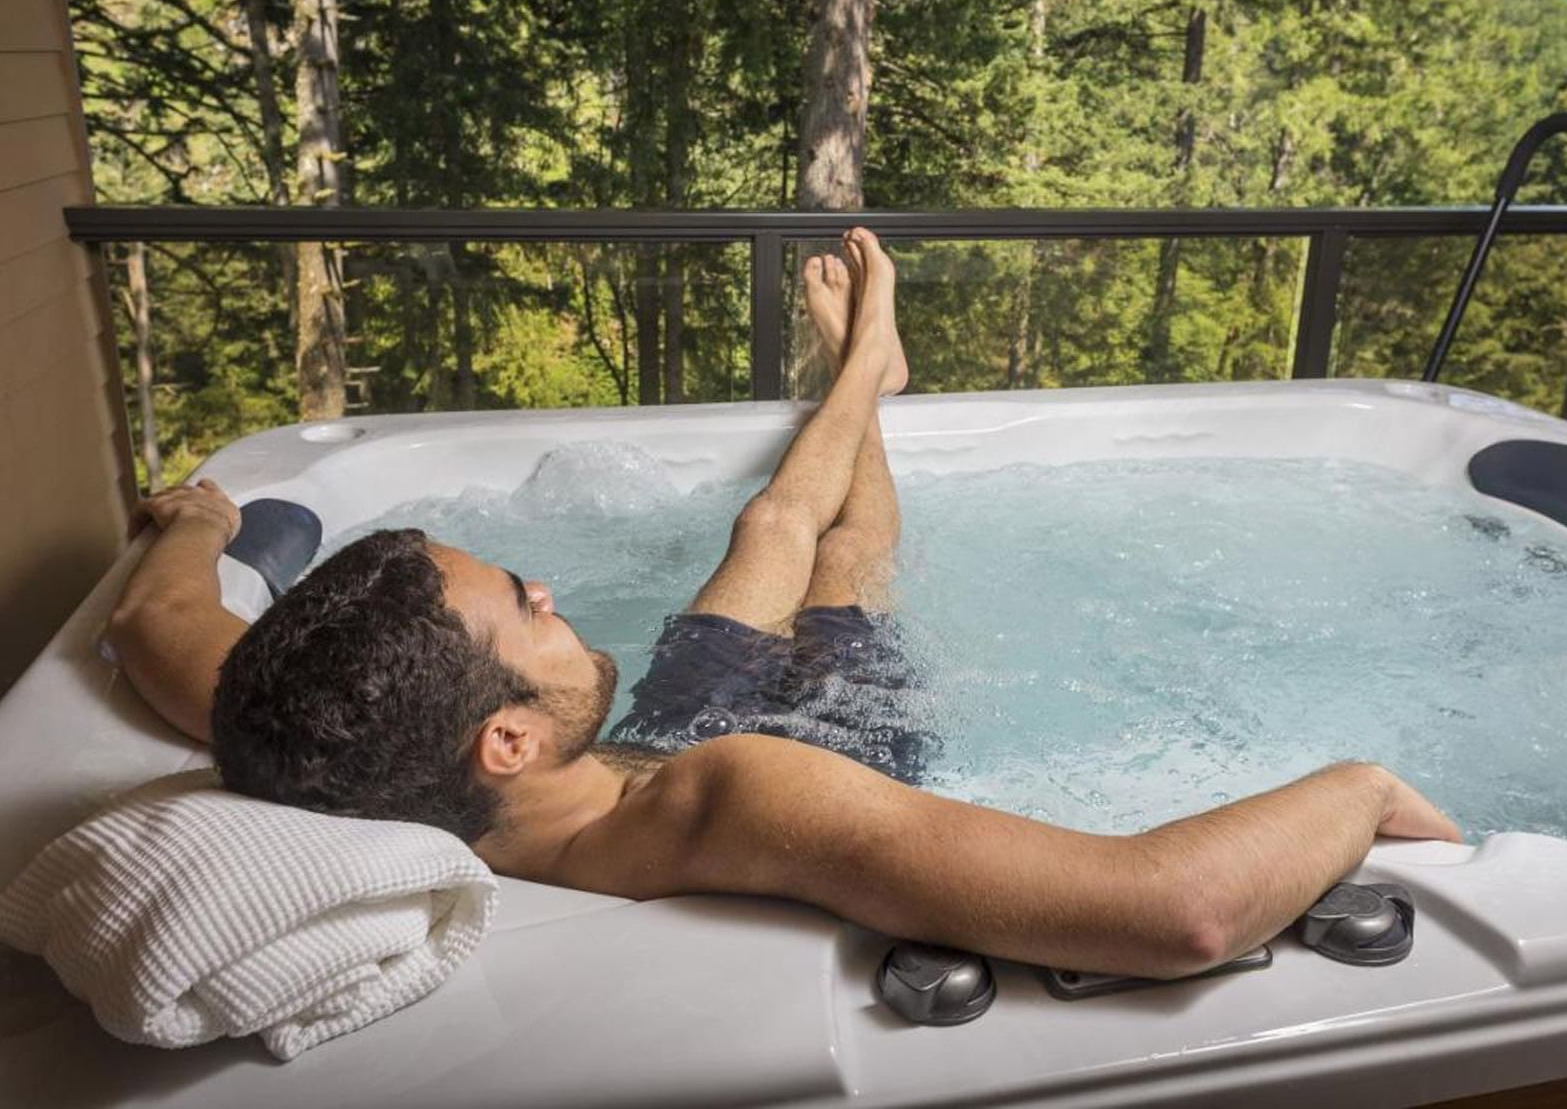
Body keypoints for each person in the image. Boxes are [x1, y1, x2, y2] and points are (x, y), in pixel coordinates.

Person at [106, 227, 1461, 983]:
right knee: (842, 581)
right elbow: (1177, 913)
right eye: (525, 607)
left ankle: (863, 367)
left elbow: (158, 626)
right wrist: (1359, 780)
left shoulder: (314, 730)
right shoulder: (754, 798)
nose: (550, 587)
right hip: (805, 755)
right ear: (503, 736)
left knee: (767, 518)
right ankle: (869, 363)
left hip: (649, 746)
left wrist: (206, 524)